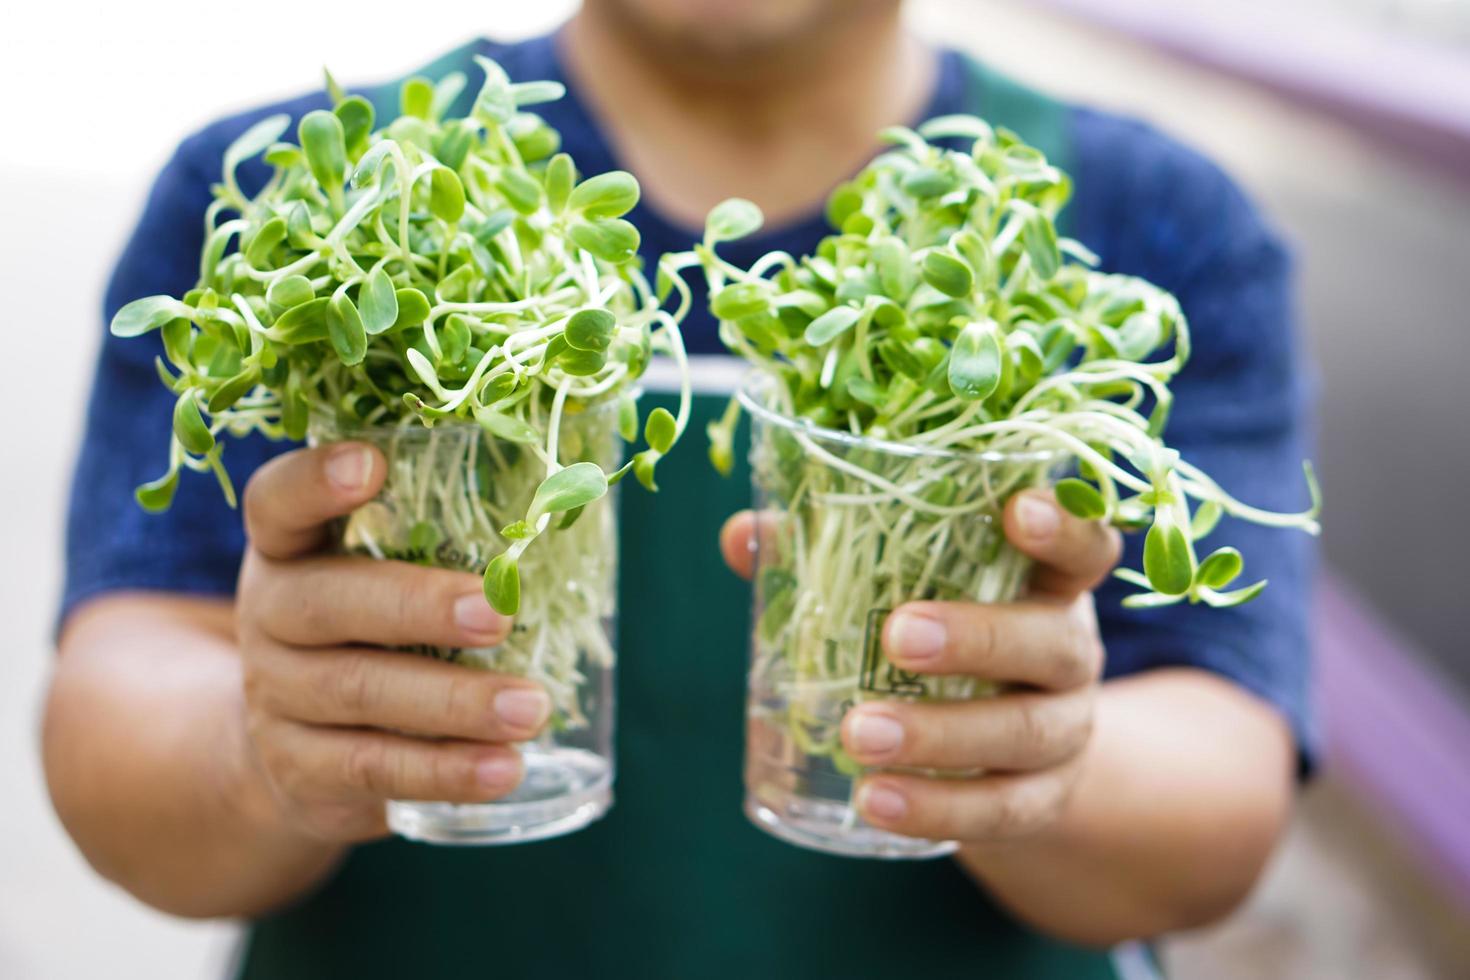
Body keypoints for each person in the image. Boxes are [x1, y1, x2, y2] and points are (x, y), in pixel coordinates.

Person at [45, 1, 1316, 977]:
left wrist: (1038, 757)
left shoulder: (1149, 227)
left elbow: (1221, 788)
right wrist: (263, 744)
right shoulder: (302, 212)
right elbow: (116, 719)